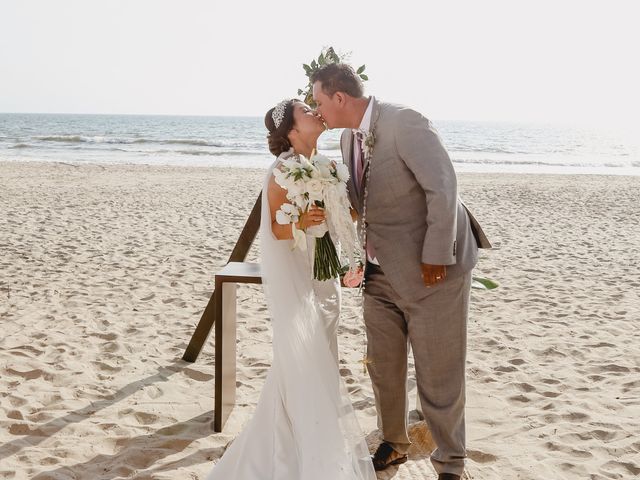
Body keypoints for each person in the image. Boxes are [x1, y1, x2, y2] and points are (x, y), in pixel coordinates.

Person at [312, 63, 491, 480]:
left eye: (319, 100)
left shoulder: (405, 121)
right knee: (382, 364)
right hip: (378, 273)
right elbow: (364, 203)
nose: (317, 109)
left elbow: (442, 187)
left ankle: (451, 463)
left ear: (340, 98)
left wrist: (436, 255)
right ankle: (394, 443)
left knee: (439, 372)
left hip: (434, 272)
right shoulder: (343, 139)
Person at [205, 99, 376, 480]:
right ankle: (298, 453)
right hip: (299, 275)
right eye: (306, 110)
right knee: (301, 360)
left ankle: (312, 442)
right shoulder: (283, 170)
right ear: (291, 131)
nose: (316, 111)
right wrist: (300, 219)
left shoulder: (329, 166)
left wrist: (339, 219)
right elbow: (277, 230)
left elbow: (346, 216)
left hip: (325, 277)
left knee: (322, 360)